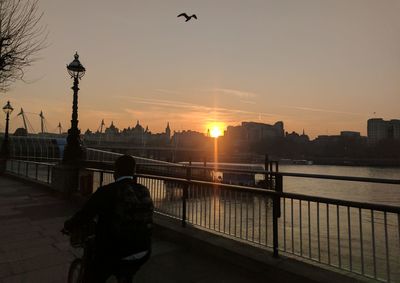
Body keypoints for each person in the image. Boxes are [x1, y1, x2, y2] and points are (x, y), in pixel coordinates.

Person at [64, 154, 154, 282]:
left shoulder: (106, 191)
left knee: (93, 275)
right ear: (134, 172)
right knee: (127, 272)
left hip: (115, 253)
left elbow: (85, 214)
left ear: (115, 171)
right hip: (143, 250)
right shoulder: (143, 190)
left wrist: (69, 225)